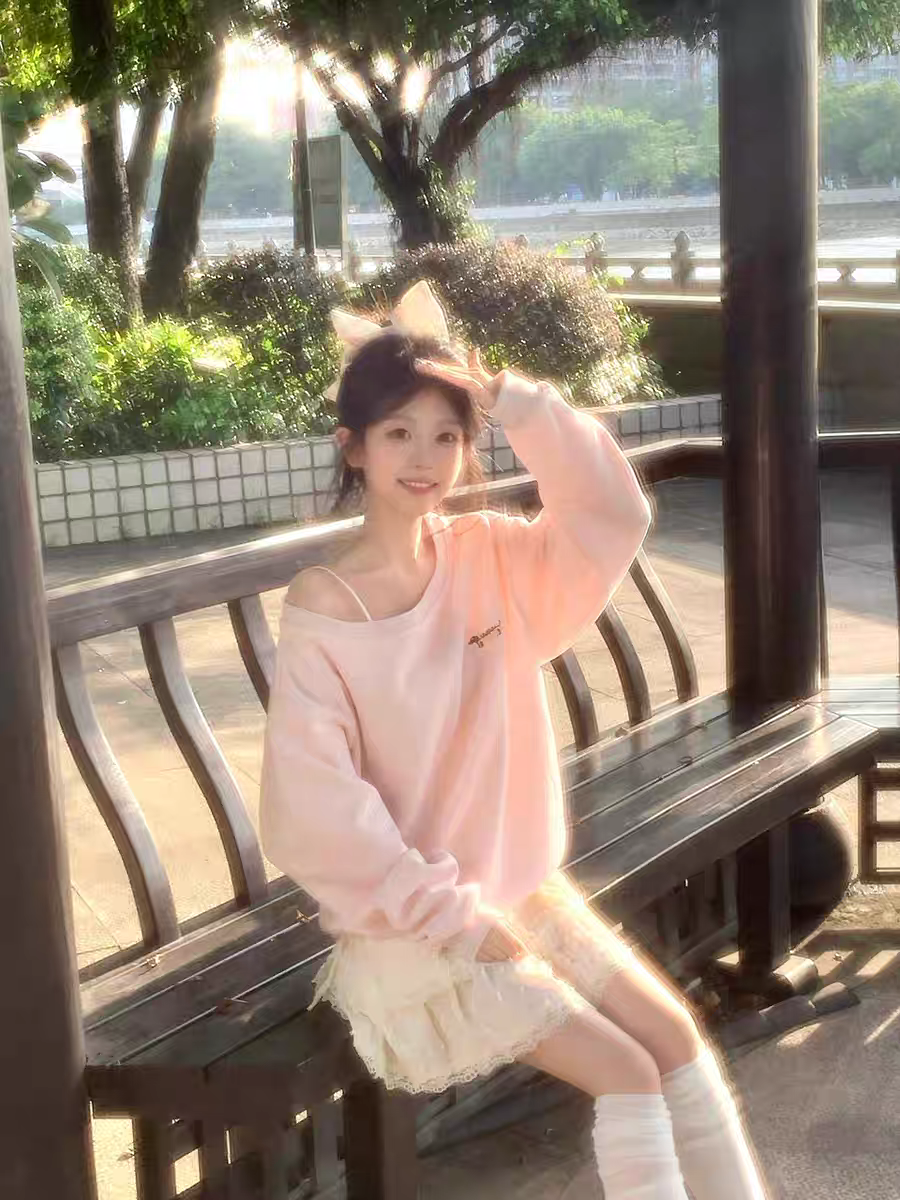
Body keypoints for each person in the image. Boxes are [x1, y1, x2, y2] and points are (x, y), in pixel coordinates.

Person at [259, 280, 768, 1199]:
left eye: (446, 435)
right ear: (353, 446)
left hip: (519, 891)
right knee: (629, 1071)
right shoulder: (325, 606)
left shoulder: (487, 554)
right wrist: (455, 917)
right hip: (415, 932)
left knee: (675, 1040)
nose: (425, 458)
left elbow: (612, 516)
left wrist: (520, 404)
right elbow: (315, 810)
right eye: (398, 433)